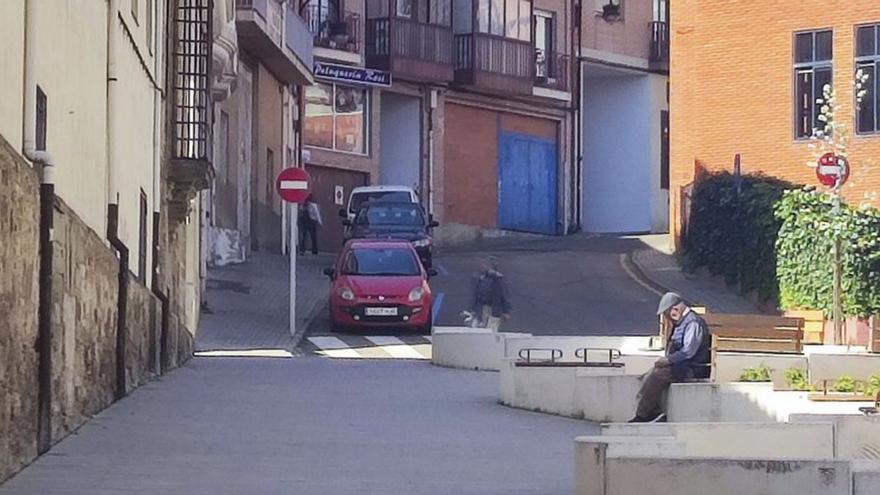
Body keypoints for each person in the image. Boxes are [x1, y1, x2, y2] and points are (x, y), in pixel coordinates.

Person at [630, 292, 711, 423]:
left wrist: (668, 360)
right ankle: (654, 410)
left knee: (656, 376)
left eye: (668, 314)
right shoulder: (682, 322)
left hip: (692, 368)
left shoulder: (693, 323)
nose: (668, 318)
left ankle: (643, 415)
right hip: (680, 366)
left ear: (676, 309)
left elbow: (688, 352)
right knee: (645, 376)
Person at [469, 256, 511, 332]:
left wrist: (506, 311)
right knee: (481, 330)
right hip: (482, 309)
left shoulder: (498, 279)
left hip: (494, 309)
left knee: (491, 331)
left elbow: (504, 295)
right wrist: (473, 309)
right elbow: (477, 295)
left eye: (484, 264)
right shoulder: (481, 278)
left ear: (490, 266)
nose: (481, 266)